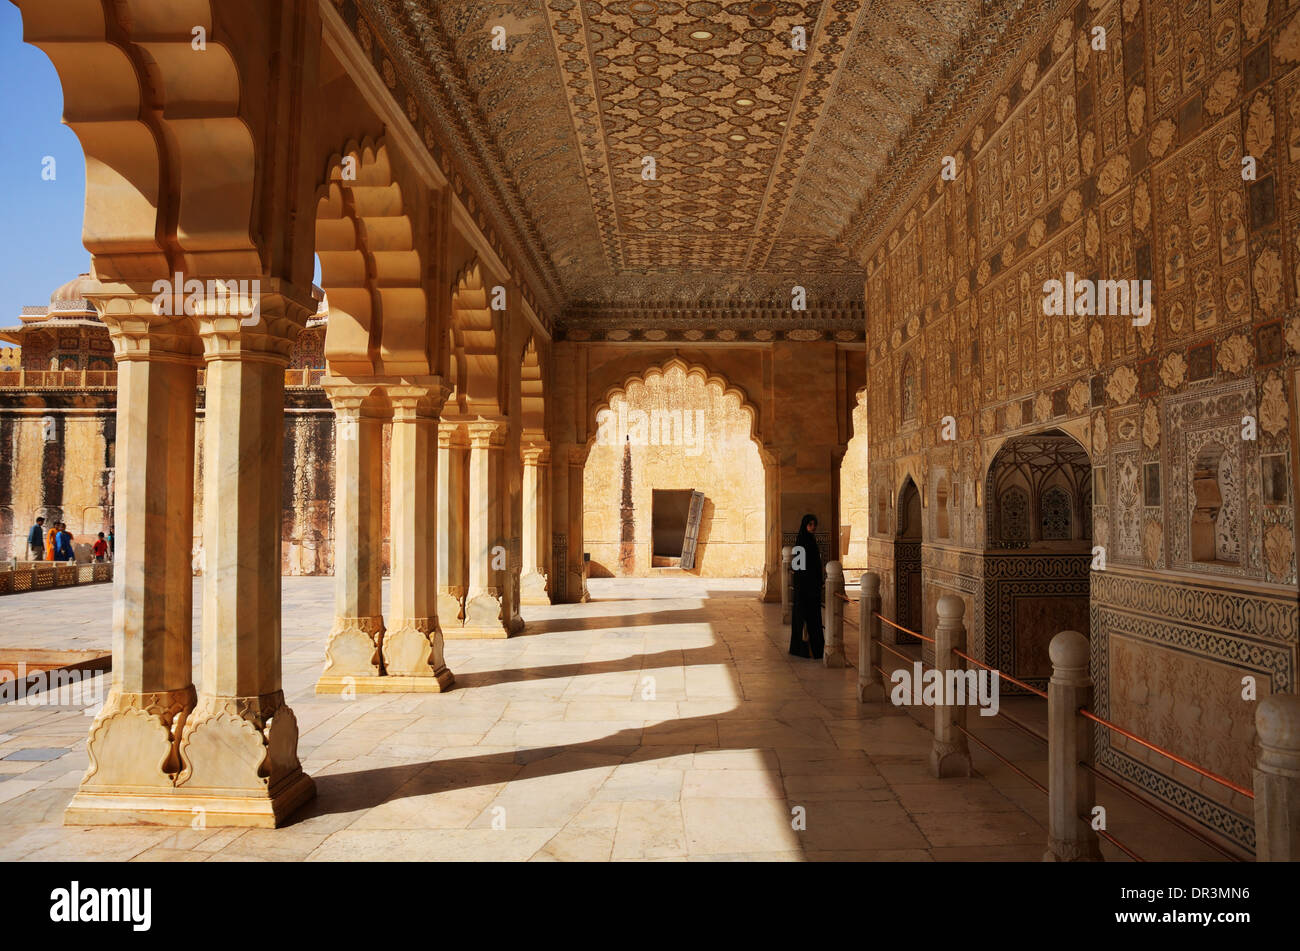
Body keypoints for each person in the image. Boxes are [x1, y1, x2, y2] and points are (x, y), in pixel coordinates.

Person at [788, 513, 825, 659]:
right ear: (805, 525)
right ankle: (804, 649)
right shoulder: (802, 542)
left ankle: (815, 649)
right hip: (805, 589)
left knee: (813, 619)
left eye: (814, 524)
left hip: (811, 589)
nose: (813, 527)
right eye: (810, 524)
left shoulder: (810, 540)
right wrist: (806, 586)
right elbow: (798, 567)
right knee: (804, 618)